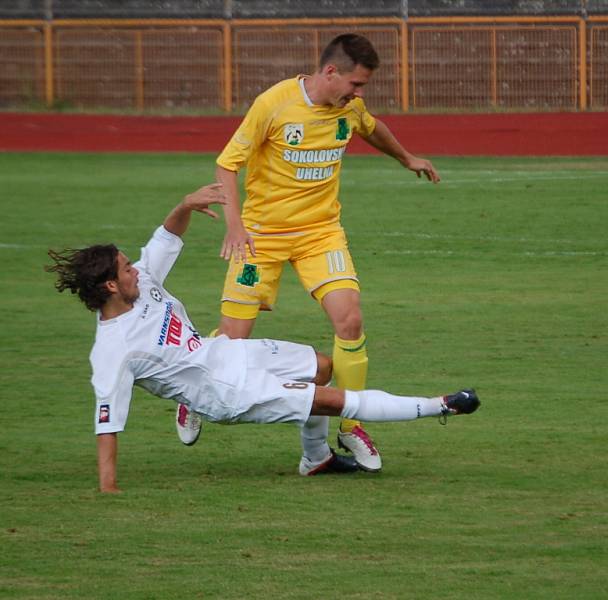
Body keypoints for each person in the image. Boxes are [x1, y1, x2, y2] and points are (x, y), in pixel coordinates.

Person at [46, 184, 479, 493]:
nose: (135, 269)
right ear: (108, 287)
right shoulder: (113, 350)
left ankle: (316, 460)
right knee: (330, 399)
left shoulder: (143, 281)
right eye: (125, 268)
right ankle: (441, 405)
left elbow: (167, 236)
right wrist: (109, 489)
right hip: (226, 391)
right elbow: (107, 424)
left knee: (323, 368)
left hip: (227, 352)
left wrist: (186, 204)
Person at [177, 33, 441, 472]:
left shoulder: (349, 108)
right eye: (355, 85)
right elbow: (228, 162)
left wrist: (406, 157)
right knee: (234, 339)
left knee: (350, 320)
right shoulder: (274, 103)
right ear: (330, 71)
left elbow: (373, 128)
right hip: (262, 236)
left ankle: (351, 423)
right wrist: (236, 226)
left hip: (321, 233)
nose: (360, 96)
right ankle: (191, 394)